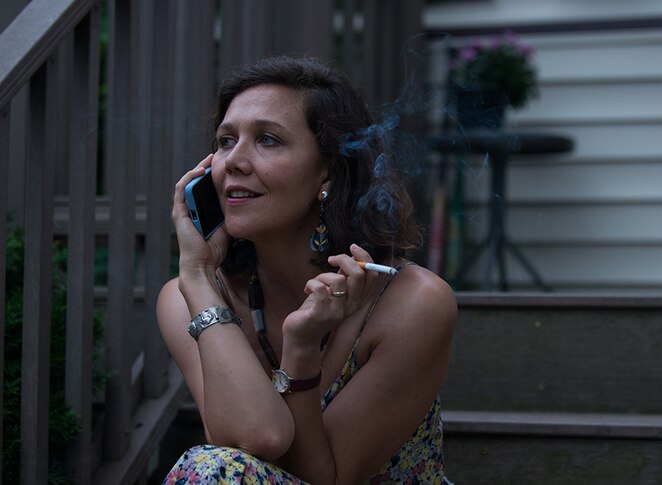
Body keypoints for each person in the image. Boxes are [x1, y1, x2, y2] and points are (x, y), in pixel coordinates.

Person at [157, 55, 457, 484]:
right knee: (212, 468)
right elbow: (254, 437)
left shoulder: (413, 303)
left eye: (268, 140)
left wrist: (300, 350)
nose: (233, 162)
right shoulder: (191, 295)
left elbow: (328, 479)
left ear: (328, 172)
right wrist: (197, 277)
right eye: (225, 140)